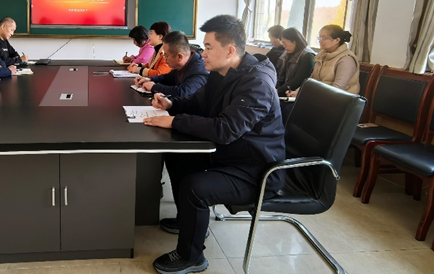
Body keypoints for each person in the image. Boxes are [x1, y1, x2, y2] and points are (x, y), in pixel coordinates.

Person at [143, 15, 285, 274]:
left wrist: (174, 121)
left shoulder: (256, 83)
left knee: (194, 188)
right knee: (177, 157)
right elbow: (199, 103)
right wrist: (172, 104)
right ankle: (189, 220)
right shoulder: (222, 73)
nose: (202, 53)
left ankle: (191, 257)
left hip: (256, 170)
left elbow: (225, 129)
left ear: (230, 50)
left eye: (208, 47)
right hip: (232, 156)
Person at [286, 24, 359, 97]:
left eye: (323, 38)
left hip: (340, 100)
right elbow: (311, 80)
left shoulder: (346, 59)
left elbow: (337, 89)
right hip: (321, 96)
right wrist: (298, 92)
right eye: (319, 37)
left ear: (337, 40)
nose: (320, 41)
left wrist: (308, 95)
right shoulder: (321, 56)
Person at [134, 31, 208, 97]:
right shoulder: (182, 64)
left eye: (166, 55)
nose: (164, 58)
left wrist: (154, 87)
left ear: (179, 57)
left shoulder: (199, 70)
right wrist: (150, 79)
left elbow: (182, 92)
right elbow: (167, 78)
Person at [275, 27, 315, 96]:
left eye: (284, 43)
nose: (283, 46)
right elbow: (280, 74)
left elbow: (298, 80)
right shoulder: (287, 53)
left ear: (294, 41)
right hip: (284, 90)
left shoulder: (308, 56)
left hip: (295, 94)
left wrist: (278, 91)